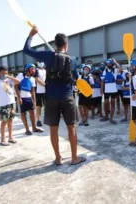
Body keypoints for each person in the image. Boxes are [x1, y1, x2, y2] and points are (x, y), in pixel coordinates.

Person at [23, 26, 86, 165]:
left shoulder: (48, 55)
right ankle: (74, 158)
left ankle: (58, 158)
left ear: (55, 44)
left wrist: (31, 35)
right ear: (66, 44)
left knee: (53, 129)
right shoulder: (73, 60)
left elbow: (26, 50)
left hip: (51, 98)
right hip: (68, 97)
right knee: (72, 127)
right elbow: (76, 78)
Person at [0, 66, 20, 146]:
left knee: (11, 120)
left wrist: (8, 76)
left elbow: (18, 81)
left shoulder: (8, 80)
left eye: (6, 73)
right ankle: (3, 139)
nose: (4, 74)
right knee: (4, 122)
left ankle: (10, 137)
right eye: (2, 73)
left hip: (12, 102)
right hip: (3, 104)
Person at [15, 64, 43, 135]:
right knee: (23, 113)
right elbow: (16, 86)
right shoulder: (21, 75)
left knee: (32, 113)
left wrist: (34, 102)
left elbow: (33, 91)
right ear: (27, 70)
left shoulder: (33, 79)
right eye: (32, 69)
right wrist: (19, 98)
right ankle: (27, 129)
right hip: (22, 98)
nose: (33, 70)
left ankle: (34, 128)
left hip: (29, 97)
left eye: (34, 69)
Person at [100, 58, 122, 124]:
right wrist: (101, 90)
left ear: (112, 64)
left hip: (113, 90)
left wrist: (115, 62)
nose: (109, 64)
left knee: (112, 104)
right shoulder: (105, 71)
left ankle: (111, 118)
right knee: (105, 103)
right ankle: (106, 116)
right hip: (106, 90)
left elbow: (121, 69)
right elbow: (102, 81)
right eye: (108, 63)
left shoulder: (115, 70)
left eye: (110, 63)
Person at [34, 61, 46, 127]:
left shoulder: (45, 70)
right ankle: (38, 120)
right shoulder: (36, 70)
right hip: (39, 92)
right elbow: (37, 79)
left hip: (46, 91)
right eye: (40, 62)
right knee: (39, 107)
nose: (41, 63)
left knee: (46, 106)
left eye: (42, 61)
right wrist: (45, 85)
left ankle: (46, 119)